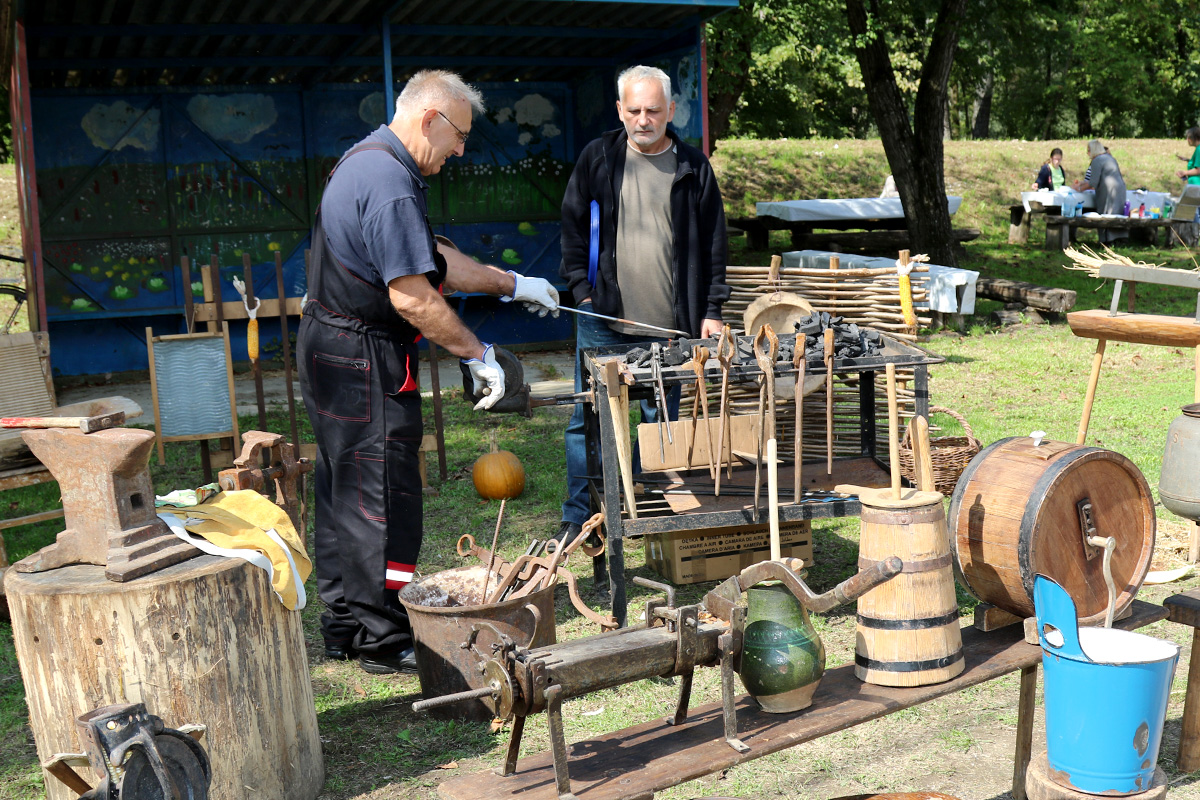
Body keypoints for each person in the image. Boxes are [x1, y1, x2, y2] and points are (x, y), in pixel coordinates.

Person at [297, 70, 559, 675]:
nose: (462, 150)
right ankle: (383, 637)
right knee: (380, 494)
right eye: (460, 135)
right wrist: (477, 353)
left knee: (343, 487)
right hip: (361, 356)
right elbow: (412, 295)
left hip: (333, 347)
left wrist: (511, 283)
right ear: (429, 119)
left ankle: (345, 623)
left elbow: (430, 257)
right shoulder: (389, 181)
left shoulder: (370, 161)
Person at [557, 65, 730, 544]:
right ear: (619, 110)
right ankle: (581, 515)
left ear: (671, 110)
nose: (643, 119)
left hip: (670, 326)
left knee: (659, 424)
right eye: (633, 109)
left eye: (653, 110)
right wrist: (583, 293)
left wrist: (712, 310)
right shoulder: (598, 158)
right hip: (602, 319)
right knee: (588, 420)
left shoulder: (693, 167)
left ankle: (639, 508)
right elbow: (572, 227)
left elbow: (715, 245)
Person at [1073, 139, 1127, 244]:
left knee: (1107, 212)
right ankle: (1120, 238)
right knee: (1117, 211)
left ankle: (1107, 239)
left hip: (1108, 189)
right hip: (1119, 187)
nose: (1087, 153)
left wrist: (1079, 189)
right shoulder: (1110, 158)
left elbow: (1093, 182)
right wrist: (1082, 184)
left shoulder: (1097, 160)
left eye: (1088, 150)